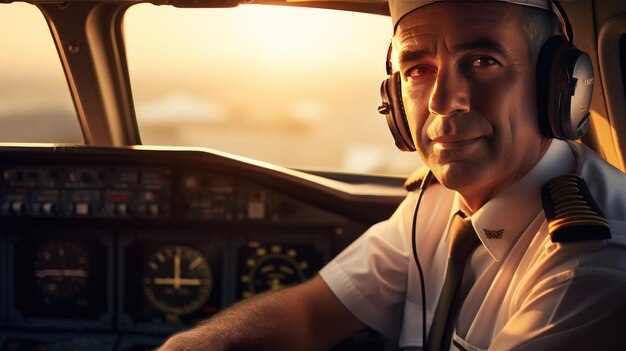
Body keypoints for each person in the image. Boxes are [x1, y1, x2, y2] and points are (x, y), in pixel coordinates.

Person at [158, 1, 626, 350]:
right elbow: (311, 312)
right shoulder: (437, 201)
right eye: (418, 69)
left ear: (558, 88)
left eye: (483, 61)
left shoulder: (590, 266)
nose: (444, 102)